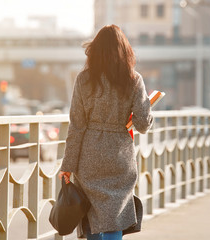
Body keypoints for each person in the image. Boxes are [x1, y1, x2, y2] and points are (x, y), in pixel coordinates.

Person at [58, 25, 153, 240]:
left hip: (89, 157)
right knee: (114, 216)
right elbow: (143, 125)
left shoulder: (84, 79)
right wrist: (148, 106)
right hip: (119, 157)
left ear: (94, 51)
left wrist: (68, 165)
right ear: (125, 51)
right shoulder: (133, 79)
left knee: (91, 213)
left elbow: (77, 126)